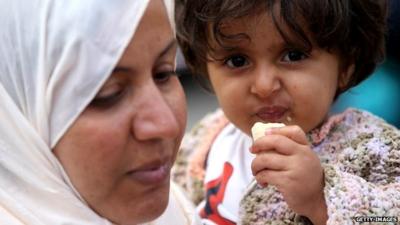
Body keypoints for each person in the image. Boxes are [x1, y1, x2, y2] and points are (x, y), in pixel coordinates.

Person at [173, 0, 400, 224]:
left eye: (293, 55)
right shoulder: (206, 141)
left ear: (346, 65)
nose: (264, 86)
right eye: (237, 60)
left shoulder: (374, 149)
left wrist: (321, 198)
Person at [0, 0, 199, 224]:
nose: (166, 124)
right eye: (108, 93)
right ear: (18, 114)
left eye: (163, 74)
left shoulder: (180, 210)